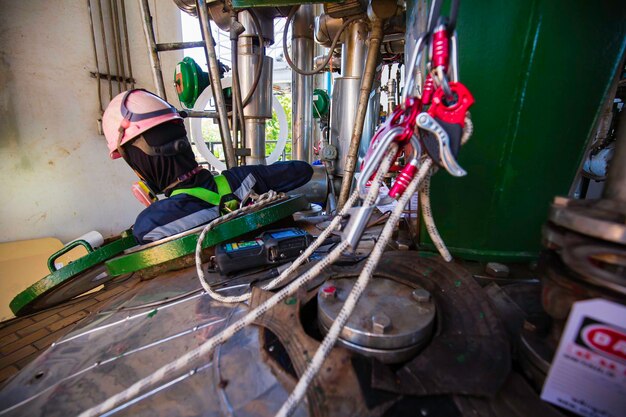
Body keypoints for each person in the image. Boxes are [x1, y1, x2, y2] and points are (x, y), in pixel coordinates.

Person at [102, 89, 313, 244]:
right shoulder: (245, 178)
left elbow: (143, 236)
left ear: (142, 161)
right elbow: (303, 170)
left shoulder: (151, 224)